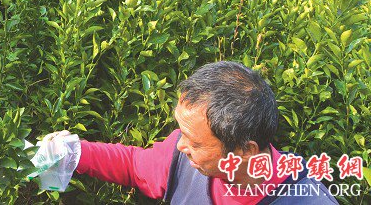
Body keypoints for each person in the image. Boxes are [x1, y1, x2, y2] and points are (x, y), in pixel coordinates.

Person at [39, 61, 339, 204]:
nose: (180, 146)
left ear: (245, 151)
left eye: (195, 142)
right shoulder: (183, 158)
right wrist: (74, 153)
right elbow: (134, 165)